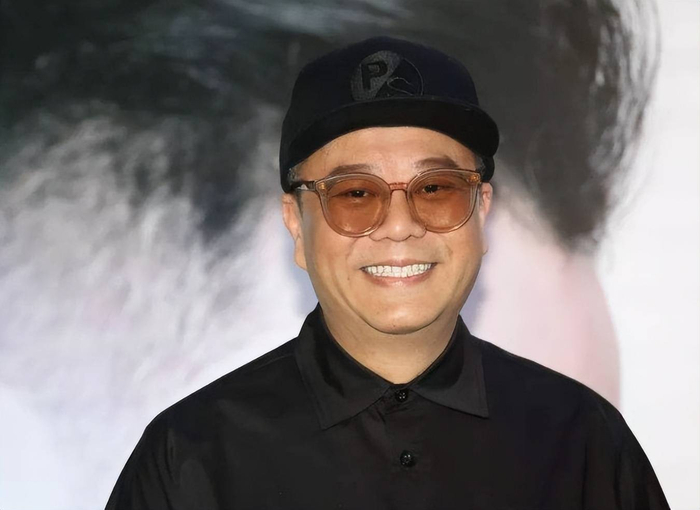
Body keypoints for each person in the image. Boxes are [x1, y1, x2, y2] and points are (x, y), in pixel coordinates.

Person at [105, 36, 668, 509]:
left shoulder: (584, 444)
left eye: (436, 188)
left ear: (481, 213)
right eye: (354, 193)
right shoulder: (191, 458)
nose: (400, 226)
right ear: (297, 226)